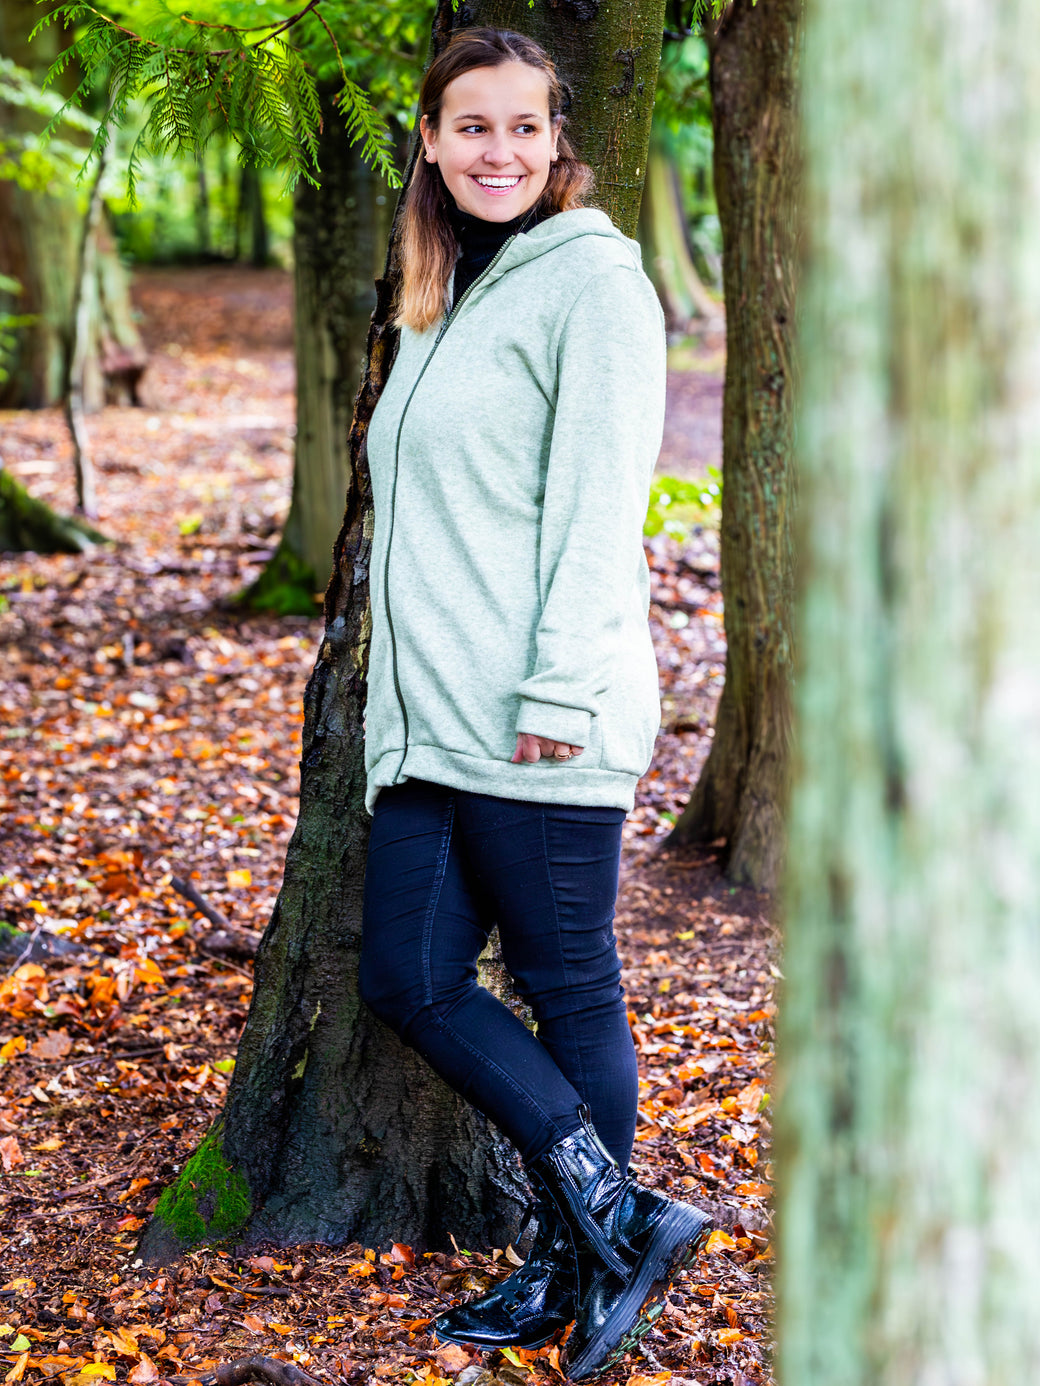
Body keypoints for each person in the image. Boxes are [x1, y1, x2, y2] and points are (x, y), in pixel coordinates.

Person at [358, 27, 711, 1382]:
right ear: (433, 142)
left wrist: (560, 693)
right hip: (434, 723)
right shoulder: (448, 292)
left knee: (568, 991)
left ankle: (582, 1257)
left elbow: (597, 508)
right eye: (470, 127)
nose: (496, 150)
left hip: (537, 714)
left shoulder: (598, 286)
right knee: (411, 976)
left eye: (522, 126)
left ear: (557, 138)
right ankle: (614, 1220)